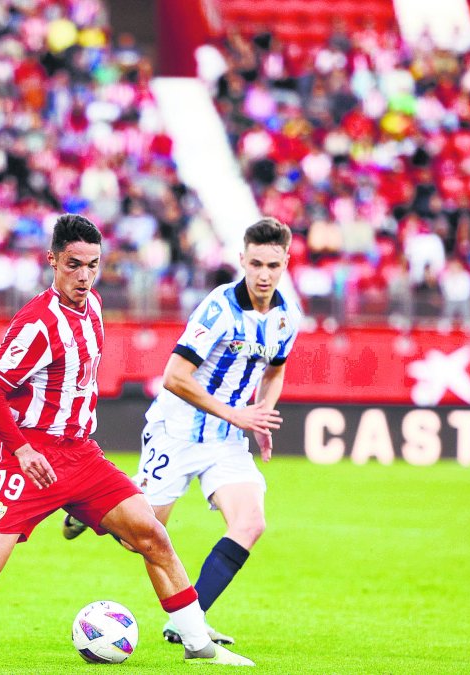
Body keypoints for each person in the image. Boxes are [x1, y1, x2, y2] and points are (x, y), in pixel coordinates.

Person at [0, 214, 254, 667]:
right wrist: (22, 448)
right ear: (52, 260)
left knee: (151, 536)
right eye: (74, 264)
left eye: (93, 265)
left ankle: (200, 646)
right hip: (31, 459)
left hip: (82, 455)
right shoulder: (36, 323)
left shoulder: (93, 309)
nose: (84, 276)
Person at [64, 217, 299, 646]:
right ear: (242, 260)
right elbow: (174, 375)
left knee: (249, 522)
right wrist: (236, 413)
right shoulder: (219, 308)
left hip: (227, 439)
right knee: (143, 540)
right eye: (256, 264)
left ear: (286, 262)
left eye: (273, 266)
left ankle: (187, 620)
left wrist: (262, 415)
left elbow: (276, 369)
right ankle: (92, 507)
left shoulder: (286, 316)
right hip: (177, 431)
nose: (264, 275)